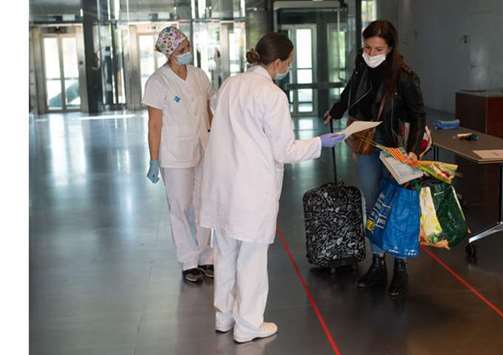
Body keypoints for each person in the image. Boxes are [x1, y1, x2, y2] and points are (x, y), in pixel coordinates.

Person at [199, 32, 345, 343]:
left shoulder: (231, 84)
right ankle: (248, 326)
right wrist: (321, 142)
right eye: (289, 63)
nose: (289, 67)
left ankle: (224, 317)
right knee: (251, 257)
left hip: (222, 183)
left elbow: (215, 109)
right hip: (251, 186)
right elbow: (285, 151)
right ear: (277, 63)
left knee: (225, 252)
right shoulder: (272, 95)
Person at [323, 20, 427, 297]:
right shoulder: (362, 64)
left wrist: (413, 150)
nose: (371, 53)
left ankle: (400, 267)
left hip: (396, 147)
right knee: (373, 203)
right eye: (367, 47)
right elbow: (352, 89)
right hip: (367, 143)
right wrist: (336, 110)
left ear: (390, 48)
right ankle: (378, 262)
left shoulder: (404, 76)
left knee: (396, 205)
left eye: (377, 49)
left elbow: (418, 115)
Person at [143, 26, 215, 285]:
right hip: (174, 154)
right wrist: (153, 158)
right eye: (182, 48)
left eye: (187, 46)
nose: (187, 52)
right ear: (170, 52)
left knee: (205, 202)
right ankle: (189, 261)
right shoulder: (157, 81)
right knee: (181, 207)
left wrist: (217, 142)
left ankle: (207, 256)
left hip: (203, 147)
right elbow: (154, 124)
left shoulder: (199, 76)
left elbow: (209, 110)